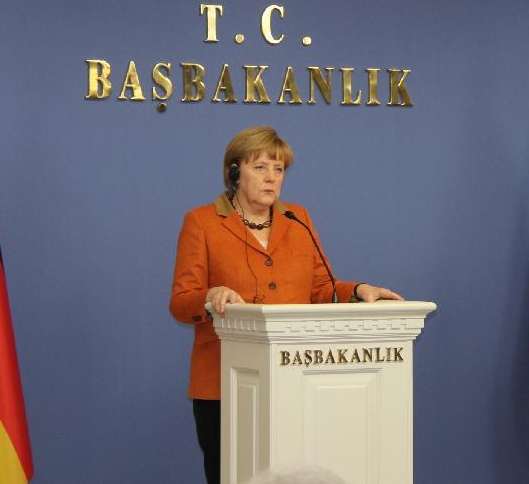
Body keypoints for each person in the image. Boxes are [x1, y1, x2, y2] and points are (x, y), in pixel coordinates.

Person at [169, 125, 402, 484]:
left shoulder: (297, 219)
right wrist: (212, 297)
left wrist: (357, 290)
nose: (271, 178)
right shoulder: (202, 222)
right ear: (234, 172)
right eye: (260, 167)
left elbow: (321, 288)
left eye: (279, 170)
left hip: (295, 382)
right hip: (225, 383)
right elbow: (182, 301)